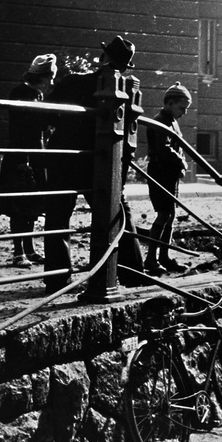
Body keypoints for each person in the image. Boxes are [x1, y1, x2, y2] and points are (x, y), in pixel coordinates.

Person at [43, 35, 145, 292]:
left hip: (64, 157)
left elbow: (48, 113)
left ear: (103, 58)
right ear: (124, 65)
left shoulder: (72, 82)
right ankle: (131, 272)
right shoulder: (128, 87)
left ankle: (57, 278)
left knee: (57, 216)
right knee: (115, 212)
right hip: (101, 160)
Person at [0, 53, 56, 267]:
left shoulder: (35, 94)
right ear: (43, 76)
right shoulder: (23, 93)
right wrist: (24, 158)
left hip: (35, 154)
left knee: (30, 205)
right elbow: (21, 129)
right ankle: (18, 251)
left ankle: (29, 249)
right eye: (50, 78)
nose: (51, 82)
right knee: (20, 205)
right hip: (23, 154)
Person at [144, 82, 192, 274]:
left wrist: (178, 164)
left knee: (170, 216)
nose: (184, 113)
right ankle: (151, 259)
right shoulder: (159, 121)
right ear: (170, 103)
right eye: (182, 108)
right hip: (160, 173)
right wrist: (181, 162)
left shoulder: (171, 120)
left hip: (169, 175)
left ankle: (164, 256)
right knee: (163, 214)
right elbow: (164, 149)